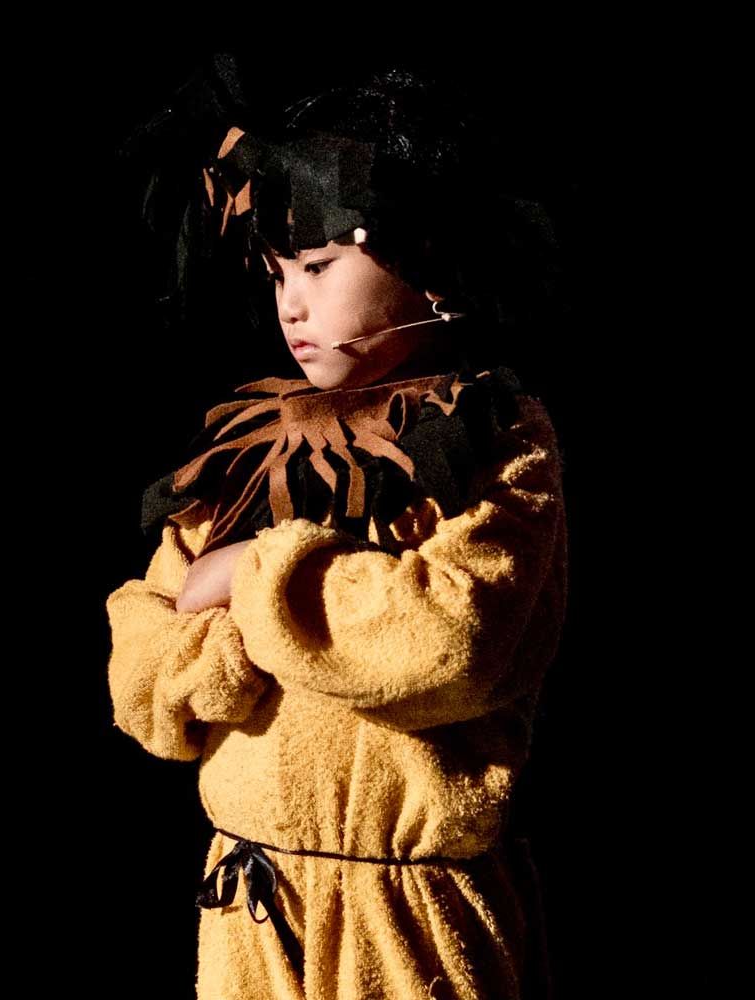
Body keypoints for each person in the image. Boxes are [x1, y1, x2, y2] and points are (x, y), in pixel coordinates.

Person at [106, 54, 568, 1000]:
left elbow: (450, 642)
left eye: (320, 264)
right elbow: (143, 673)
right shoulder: (248, 451)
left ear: (428, 263)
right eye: (278, 272)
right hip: (246, 906)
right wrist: (229, 642)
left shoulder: (494, 436)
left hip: (407, 922)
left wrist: (257, 572)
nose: (293, 304)